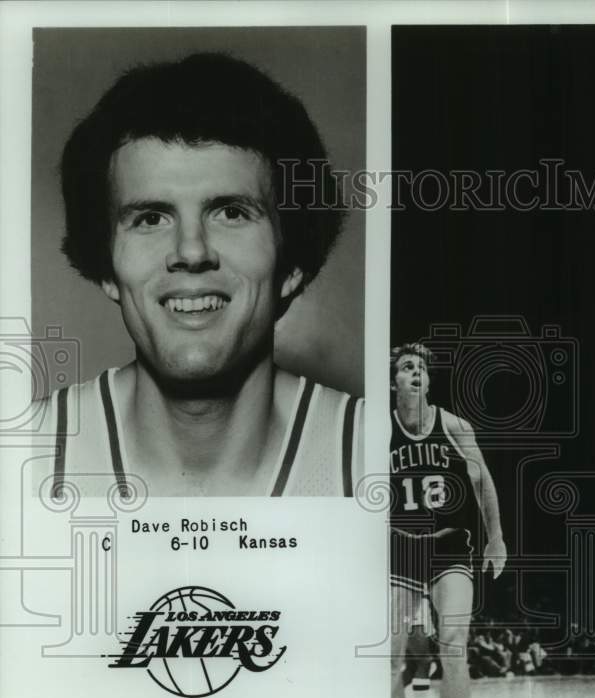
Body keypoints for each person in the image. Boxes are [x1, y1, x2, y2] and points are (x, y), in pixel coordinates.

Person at [32, 53, 362, 497]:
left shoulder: (377, 458)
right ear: (106, 265)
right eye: (150, 218)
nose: (191, 251)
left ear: (292, 264)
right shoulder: (19, 456)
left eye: (230, 212)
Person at [388, 342, 506, 698]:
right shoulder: (380, 428)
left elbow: (483, 481)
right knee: (392, 656)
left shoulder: (454, 425)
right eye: (405, 367)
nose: (415, 373)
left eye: (421, 368)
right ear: (394, 380)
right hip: (400, 548)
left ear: (429, 380)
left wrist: (496, 538)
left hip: (450, 547)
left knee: (454, 645)